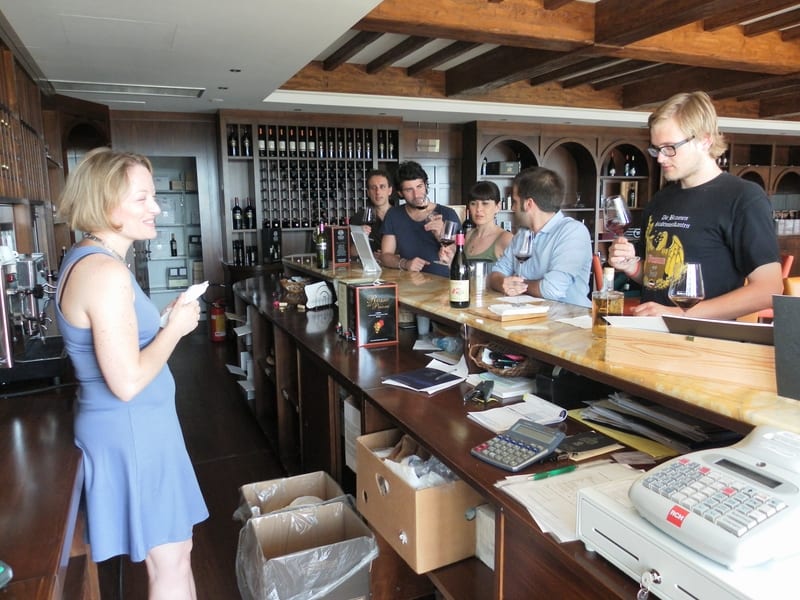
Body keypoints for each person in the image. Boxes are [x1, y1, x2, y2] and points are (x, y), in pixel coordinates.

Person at [55, 147, 208, 599]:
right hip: (132, 429)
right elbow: (124, 383)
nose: (156, 207)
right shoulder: (105, 272)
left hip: (137, 427)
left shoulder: (90, 257)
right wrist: (176, 330)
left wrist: (159, 324)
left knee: (175, 553)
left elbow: (116, 342)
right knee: (170, 561)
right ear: (105, 205)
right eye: (142, 198)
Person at [607, 91, 783, 320]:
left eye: (670, 147)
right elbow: (657, 279)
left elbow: (768, 290)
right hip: (652, 335)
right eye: (656, 148)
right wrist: (632, 266)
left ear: (704, 140)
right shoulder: (660, 200)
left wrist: (678, 315)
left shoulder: (743, 198)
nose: (660, 158)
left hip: (705, 339)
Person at [489, 166, 592, 307]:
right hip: (528, 315)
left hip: (570, 317)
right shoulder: (522, 235)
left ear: (528, 204)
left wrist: (517, 285)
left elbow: (552, 290)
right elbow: (496, 273)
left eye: (515, 202)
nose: (513, 208)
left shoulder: (573, 232)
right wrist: (502, 283)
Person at [381, 160, 461, 277]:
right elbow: (385, 255)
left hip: (444, 282)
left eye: (419, 186)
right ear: (400, 193)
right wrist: (405, 263)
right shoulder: (393, 215)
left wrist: (441, 235)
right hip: (409, 282)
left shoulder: (448, 214)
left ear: (426, 185)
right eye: (409, 190)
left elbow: (459, 255)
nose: (416, 194)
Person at [349, 168, 394, 254]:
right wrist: (361, 238)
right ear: (368, 193)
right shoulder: (358, 218)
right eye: (373, 188)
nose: (378, 192)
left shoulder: (401, 216)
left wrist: (388, 257)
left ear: (390, 190)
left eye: (382, 187)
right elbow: (352, 253)